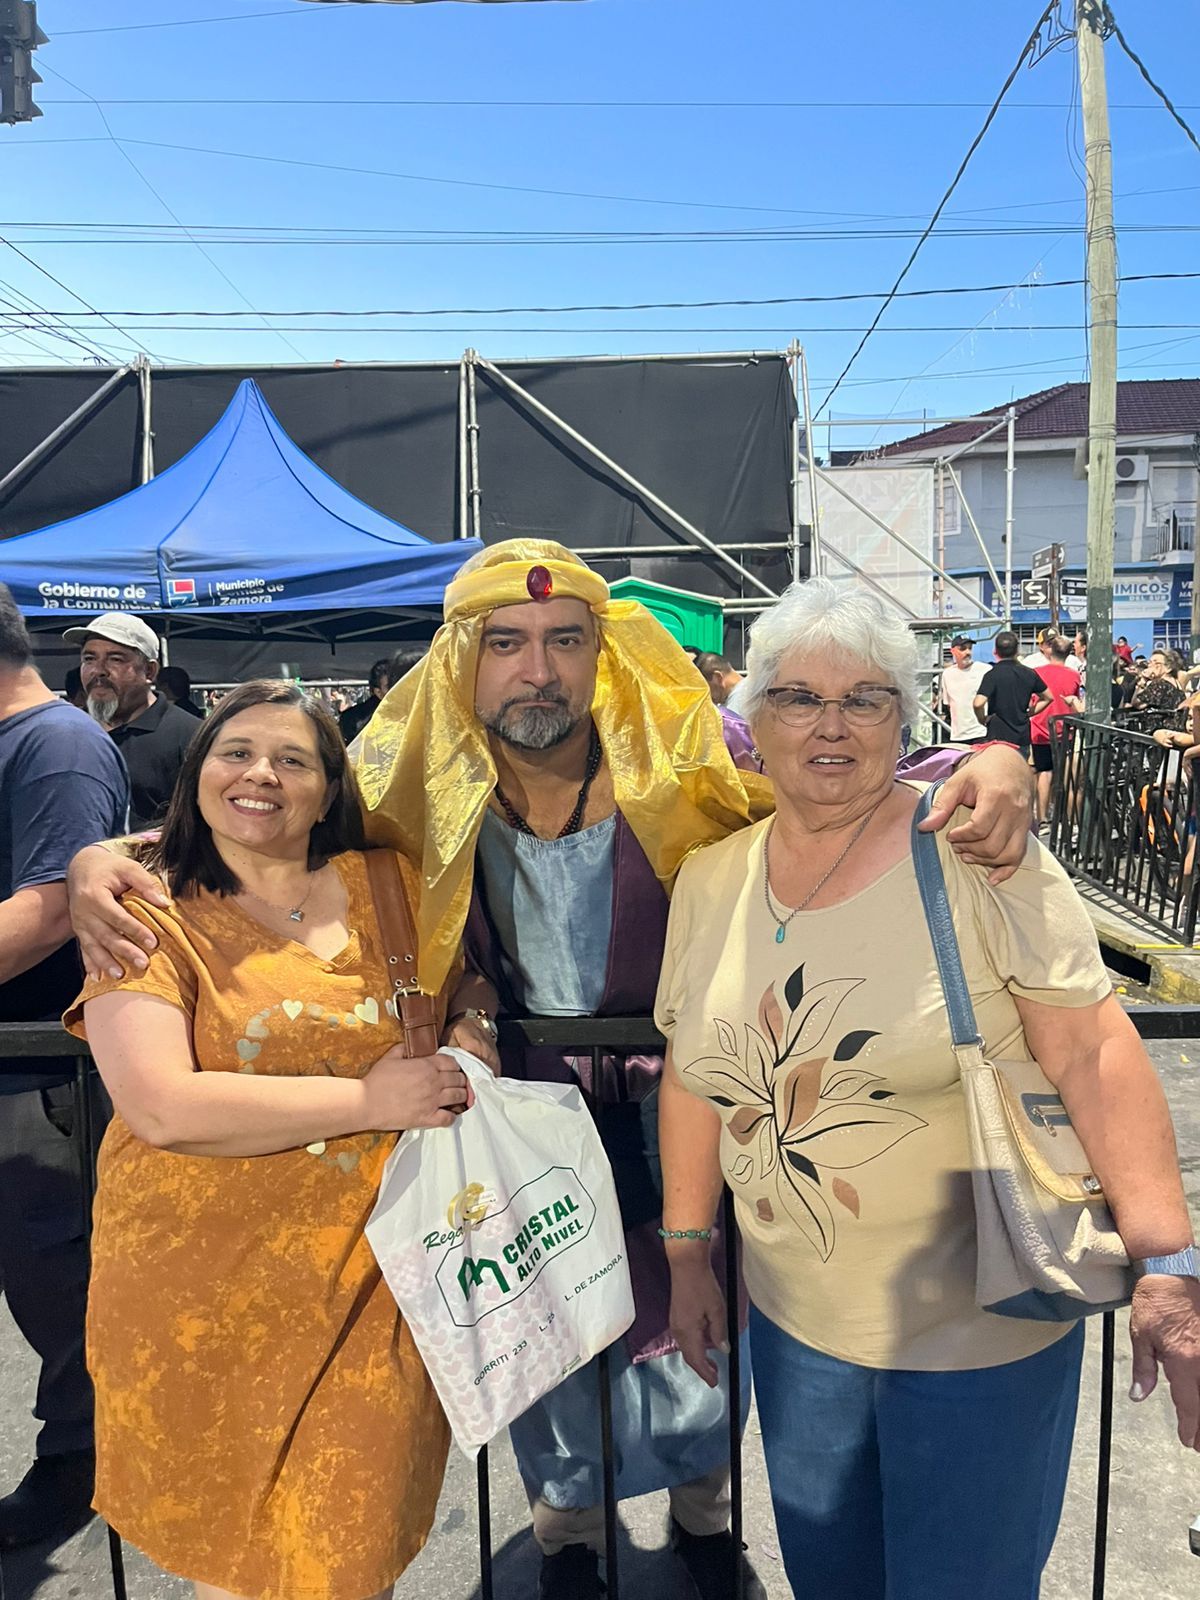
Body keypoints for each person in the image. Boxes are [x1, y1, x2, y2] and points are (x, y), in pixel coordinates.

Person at [66, 541, 1035, 1600]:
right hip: (518, 1115)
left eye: (565, 640)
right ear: (463, 664)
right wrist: (92, 861)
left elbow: (849, 766)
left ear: (599, 653)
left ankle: (706, 1519)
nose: (539, 670)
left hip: (687, 1108)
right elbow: (251, 833)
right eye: (508, 643)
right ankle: (567, 1530)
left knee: (698, 1327)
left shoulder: (690, 753)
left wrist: (990, 759)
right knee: (538, 1328)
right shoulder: (414, 785)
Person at [655, 576, 1200, 1600]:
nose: (831, 723)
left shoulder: (972, 853)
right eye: (798, 697)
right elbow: (694, 1075)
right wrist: (688, 1248)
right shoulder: (713, 876)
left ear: (905, 722)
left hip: (979, 1326)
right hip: (795, 1326)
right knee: (832, 1583)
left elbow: (1093, 1049)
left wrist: (1168, 1257)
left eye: (865, 698)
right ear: (752, 719)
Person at [62, 679, 489, 1600]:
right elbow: (162, 1106)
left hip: (376, 1282)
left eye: (293, 759)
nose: (261, 774)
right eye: (236, 753)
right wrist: (370, 1100)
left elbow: (470, 981)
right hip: (200, 1292)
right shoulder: (143, 912)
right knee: (240, 1560)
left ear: (329, 790)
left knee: (349, 1549)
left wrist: (470, 1034)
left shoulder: (393, 886)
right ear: (197, 774)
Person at [0, 585, 129, 1550]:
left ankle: (77, 1460)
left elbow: (48, 907)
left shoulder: (58, 745)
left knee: (59, 1285)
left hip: (37, 1072)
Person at [68, 613, 198, 830]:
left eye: (115, 659)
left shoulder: (190, 737)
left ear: (150, 671)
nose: (98, 670)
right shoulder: (70, 731)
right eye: (89, 659)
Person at [1030, 635, 1083, 823]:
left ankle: (1042, 818)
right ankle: (1071, 821)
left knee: (1044, 772)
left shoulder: (1036, 672)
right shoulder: (1074, 675)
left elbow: (1032, 700)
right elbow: (1076, 700)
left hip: (1040, 728)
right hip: (1065, 729)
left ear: (1050, 650)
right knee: (1068, 777)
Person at [973, 630, 1049, 756]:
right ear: (1017, 651)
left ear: (995, 652)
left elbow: (978, 703)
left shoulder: (992, 675)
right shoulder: (1029, 673)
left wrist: (983, 719)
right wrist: (1030, 712)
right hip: (1021, 736)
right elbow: (1048, 697)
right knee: (1019, 772)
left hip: (997, 736)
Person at [938, 635, 988, 743]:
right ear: (952, 651)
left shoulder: (984, 670)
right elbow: (948, 703)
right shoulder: (947, 674)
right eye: (963, 649)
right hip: (958, 735)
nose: (968, 652)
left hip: (981, 733)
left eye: (970, 648)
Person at [1129, 648, 1187, 731]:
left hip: (1156, 733)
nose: (1151, 666)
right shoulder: (1177, 684)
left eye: (1157, 663)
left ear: (1169, 668)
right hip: (1174, 730)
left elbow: (1136, 704)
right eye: (1150, 662)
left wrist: (1142, 681)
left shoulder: (1159, 684)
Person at [339, 659, 391, 743]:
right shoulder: (355, 719)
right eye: (390, 685)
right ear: (378, 692)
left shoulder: (413, 712)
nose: (397, 688)